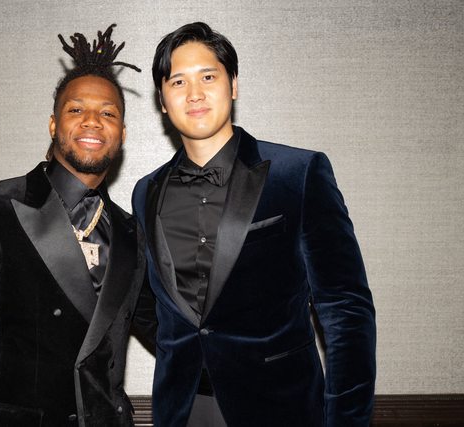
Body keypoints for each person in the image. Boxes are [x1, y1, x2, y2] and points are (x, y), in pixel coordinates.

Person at [132, 22, 376, 426]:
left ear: (233, 85)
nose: (194, 93)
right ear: (162, 99)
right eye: (178, 82)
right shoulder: (146, 192)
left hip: (281, 407)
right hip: (182, 409)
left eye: (208, 77)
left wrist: (347, 420)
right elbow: (149, 301)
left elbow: (346, 312)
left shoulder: (298, 173)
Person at [0, 24, 151, 427]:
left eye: (108, 113)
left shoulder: (132, 234)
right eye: (76, 110)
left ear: (122, 134)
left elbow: (169, 329)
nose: (92, 121)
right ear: (53, 125)